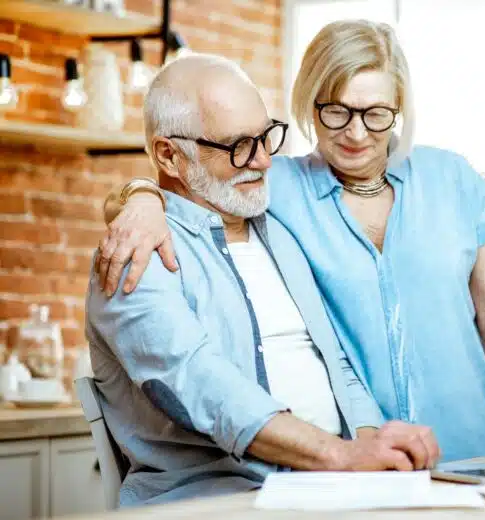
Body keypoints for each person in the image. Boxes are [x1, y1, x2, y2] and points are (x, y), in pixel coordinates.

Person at [96, 19, 485, 463]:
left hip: (476, 449)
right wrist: (140, 199)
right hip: (372, 461)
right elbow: (191, 186)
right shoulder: (278, 187)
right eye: (337, 111)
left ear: (400, 109)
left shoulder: (452, 181)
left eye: (376, 114)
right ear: (310, 103)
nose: (356, 133)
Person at [85, 53, 439, 507]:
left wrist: (372, 454)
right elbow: (201, 384)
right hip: (220, 497)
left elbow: (336, 362)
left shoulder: (281, 231)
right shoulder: (135, 254)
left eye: (266, 137)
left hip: (330, 485)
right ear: (169, 154)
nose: (263, 161)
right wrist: (341, 456)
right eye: (237, 146)